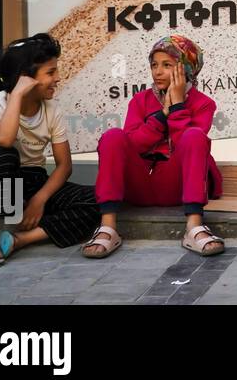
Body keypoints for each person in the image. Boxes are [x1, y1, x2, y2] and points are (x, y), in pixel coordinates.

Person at [84, 36, 225, 258]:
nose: (157, 72)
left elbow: (187, 146)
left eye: (167, 65)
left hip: (176, 186)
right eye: (154, 65)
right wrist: (161, 116)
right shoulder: (140, 101)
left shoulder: (203, 103)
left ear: (186, 70)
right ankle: (108, 227)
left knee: (195, 136)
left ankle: (195, 227)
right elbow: (135, 145)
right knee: (113, 136)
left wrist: (177, 106)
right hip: (139, 186)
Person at [0, 34, 99, 265]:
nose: (58, 78)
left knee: (99, 198)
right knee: (6, 153)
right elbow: (5, 139)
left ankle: (19, 239)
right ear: (25, 77)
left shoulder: (51, 110)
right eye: (50, 73)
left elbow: (64, 166)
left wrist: (39, 200)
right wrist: (17, 95)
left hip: (34, 182)